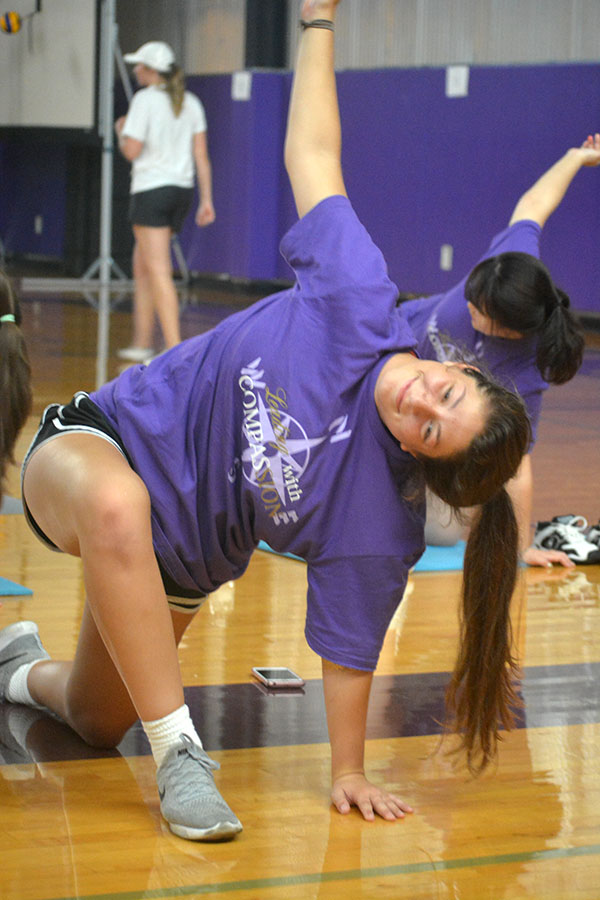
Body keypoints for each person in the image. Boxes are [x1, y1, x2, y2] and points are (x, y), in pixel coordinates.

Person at [0, 0, 531, 843]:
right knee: (117, 508)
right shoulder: (356, 294)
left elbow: (352, 648)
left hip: (180, 561)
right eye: (448, 395)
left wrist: (349, 770)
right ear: (457, 366)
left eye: (434, 432)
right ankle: (181, 757)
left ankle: (18, 665)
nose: (424, 407)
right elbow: (314, 154)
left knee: (96, 720)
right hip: (98, 444)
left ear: (421, 460)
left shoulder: (377, 521)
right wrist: (317, 23)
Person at [398, 136, 600, 567]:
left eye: (481, 313)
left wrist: (521, 547)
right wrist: (574, 158)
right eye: (472, 299)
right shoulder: (513, 264)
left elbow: (517, 466)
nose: (469, 309)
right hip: (389, 343)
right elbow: (533, 203)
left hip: (417, 412)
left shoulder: (525, 373)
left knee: (443, 529)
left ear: (512, 330)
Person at [115, 40, 215, 362]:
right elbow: (201, 156)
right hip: (180, 194)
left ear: (151, 71)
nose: (135, 71)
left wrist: (121, 131)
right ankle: (142, 342)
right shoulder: (192, 102)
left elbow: (131, 151)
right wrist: (207, 200)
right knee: (142, 266)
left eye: (139, 66)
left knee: (158, 270)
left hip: (151, 192)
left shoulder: (144, 100)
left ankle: (174, 348)